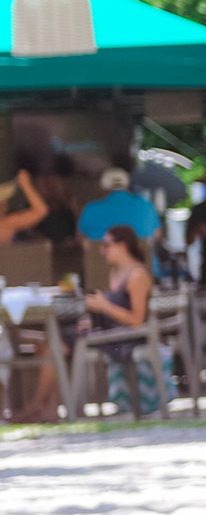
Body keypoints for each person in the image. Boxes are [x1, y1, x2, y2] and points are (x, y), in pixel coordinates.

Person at [15, 224, 155, 424]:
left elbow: (137, 319)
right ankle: (47, 408)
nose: (102, 251)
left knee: (54, 345)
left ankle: (38, 407)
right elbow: (111, 310)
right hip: (106, 331)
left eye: (106, 245)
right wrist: (92, 318)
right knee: (49, 344)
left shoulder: (138, 275)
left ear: (122, 246)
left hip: (125, 337)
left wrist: (104, 306)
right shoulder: (115, 272)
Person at [76, 168, 161, 245]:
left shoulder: (90, 208)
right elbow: (157, 235)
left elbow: (80, 237)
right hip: (139, 257)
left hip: (99, 257)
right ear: (127, 183)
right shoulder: (146, 205)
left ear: (102, 185)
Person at [0, 168, 49, 244]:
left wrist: (25, 184)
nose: (4, 205)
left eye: (3, 202)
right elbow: (40, 211)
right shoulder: (5, 224)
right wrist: (25, 184)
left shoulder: (6, 223)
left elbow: (41, 211)